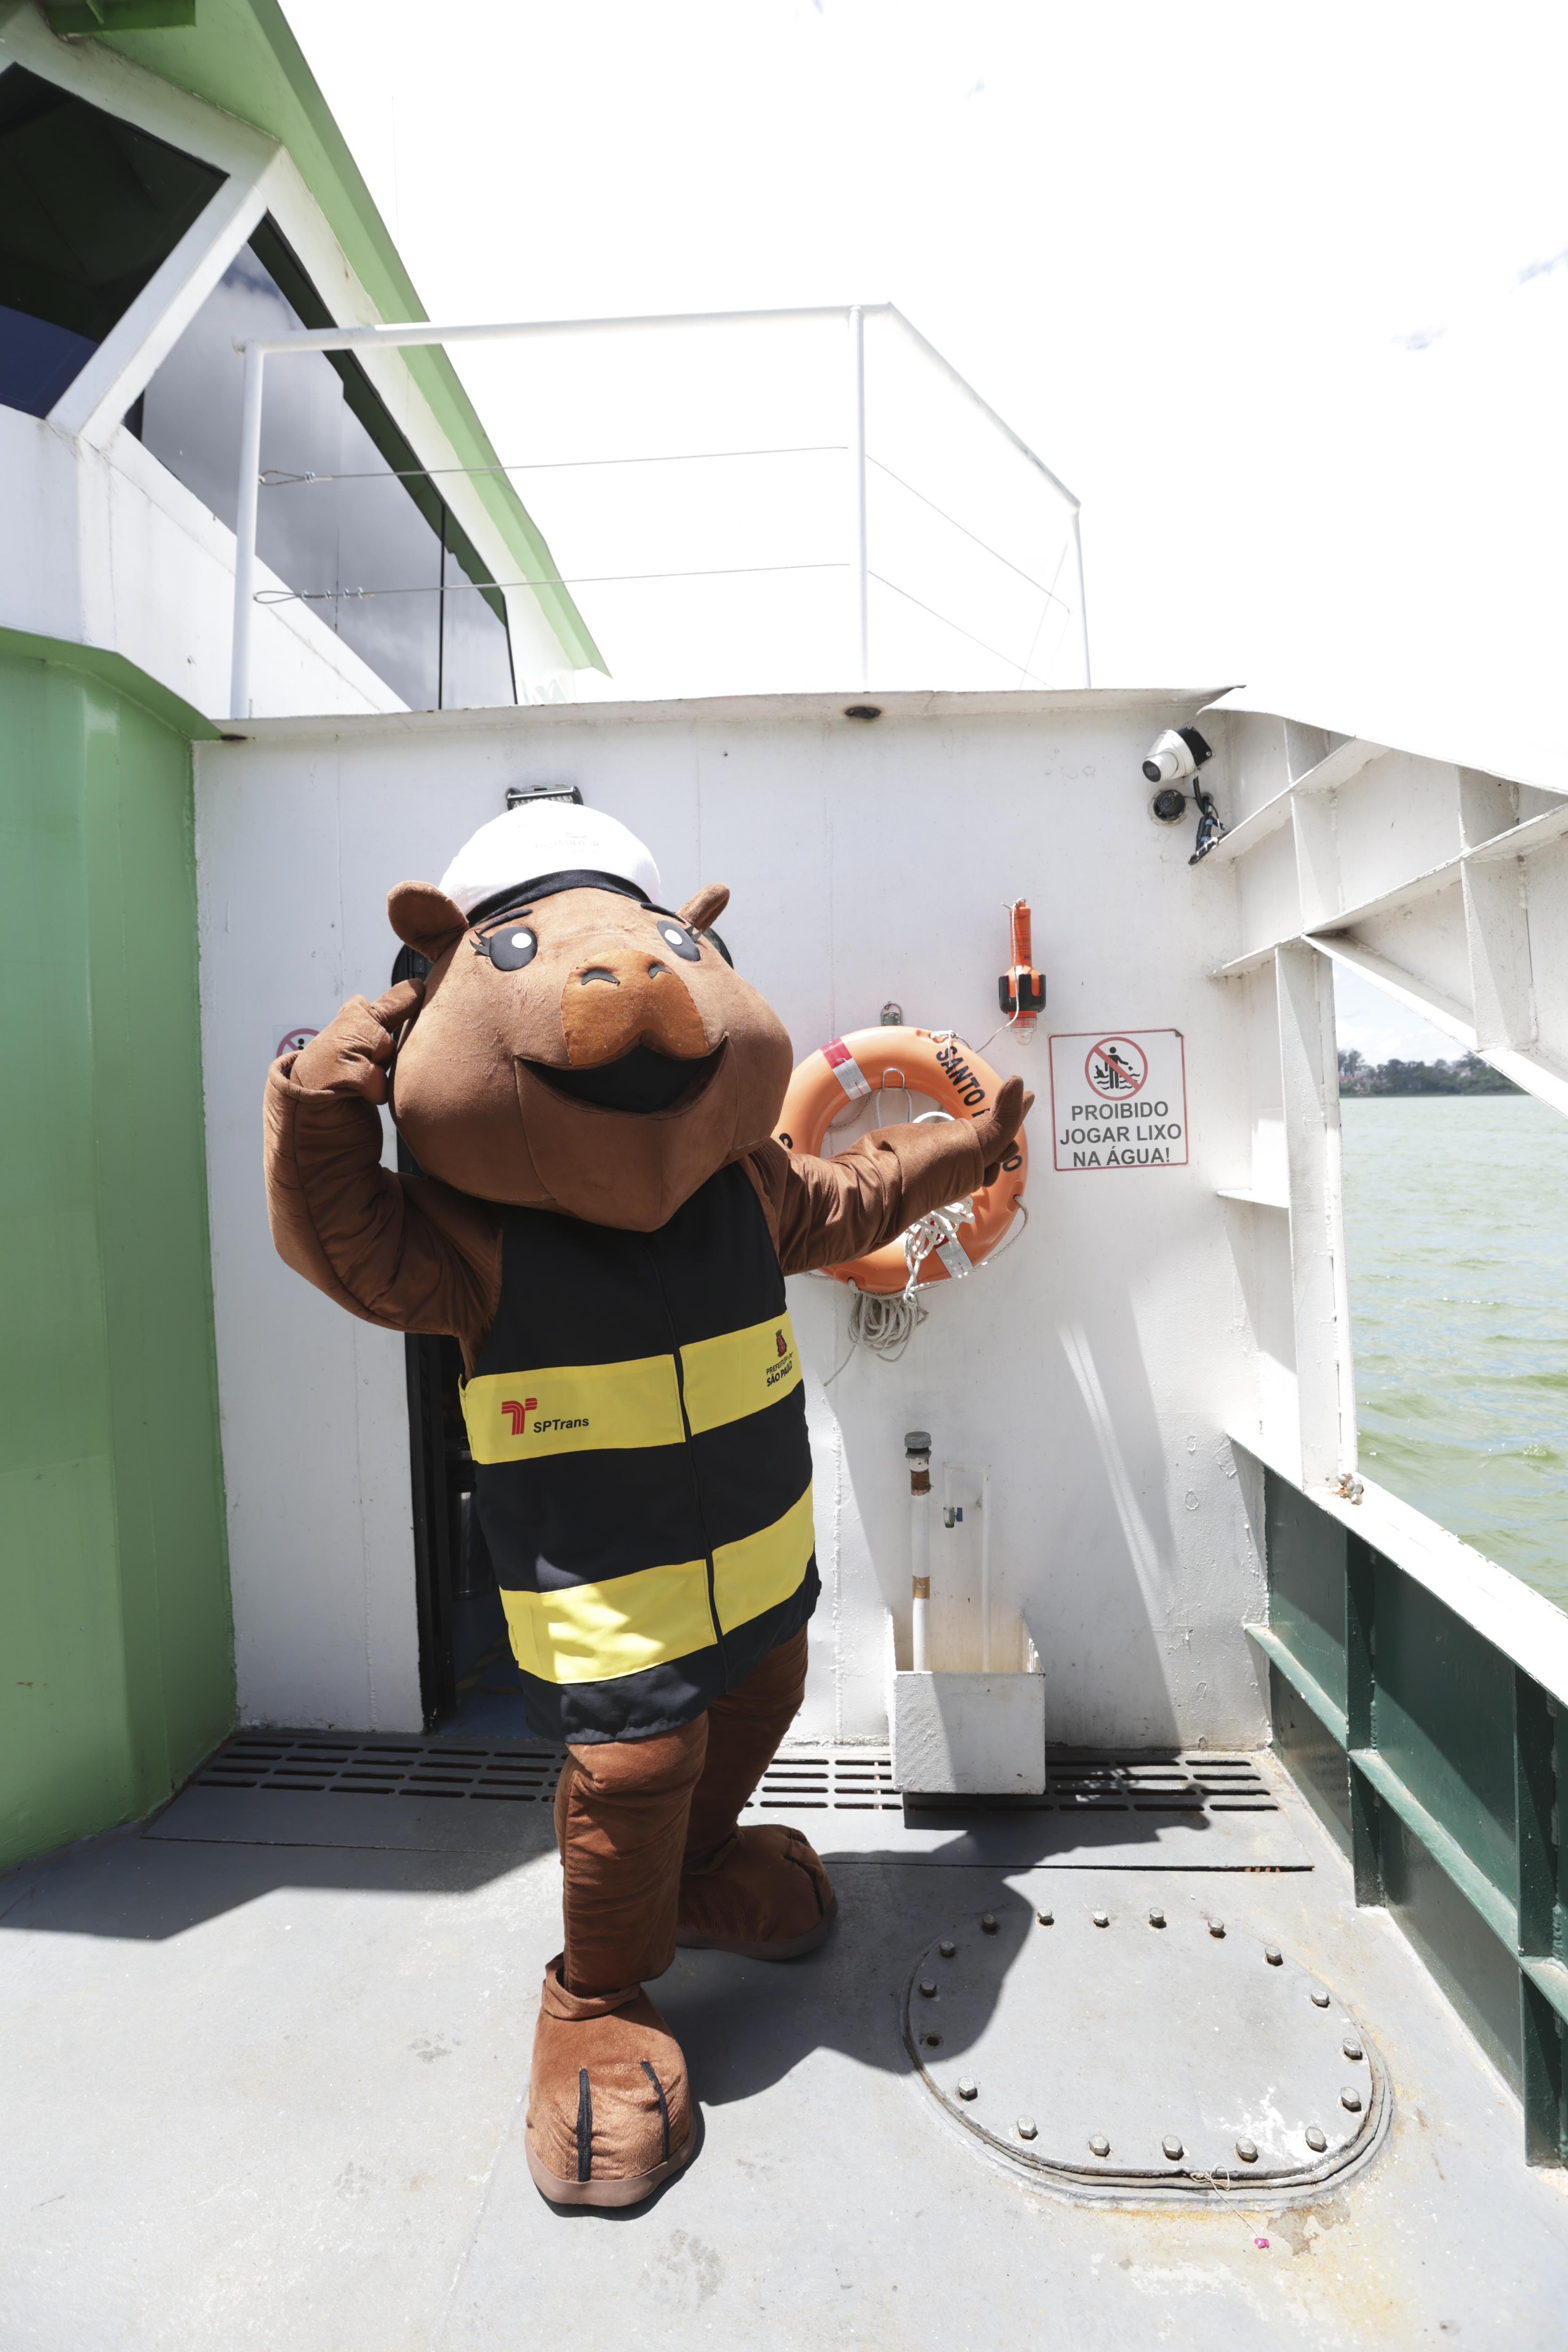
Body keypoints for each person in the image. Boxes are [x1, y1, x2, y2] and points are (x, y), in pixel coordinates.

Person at [264, 800, 1030, 2207]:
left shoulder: (748, 1189)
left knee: (764, 1698)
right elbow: (347, 1248)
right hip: (605, 1588)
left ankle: (707, 1872)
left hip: (758, 1560)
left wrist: (970, 1151)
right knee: (630, 1774)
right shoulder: (472, 1239)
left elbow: (863, 1193)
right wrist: (317, 1114)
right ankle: (595, 1999)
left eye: (668, 947)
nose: (640, 988)